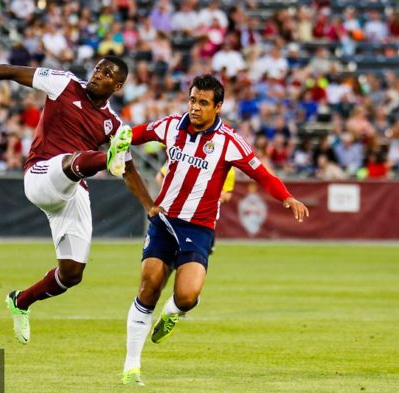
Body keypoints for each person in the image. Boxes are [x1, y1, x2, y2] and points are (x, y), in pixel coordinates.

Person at [0, 54, 156, 344]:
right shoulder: (64, 83)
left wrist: (150, 207)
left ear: (117, 85)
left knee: (71, 274)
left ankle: (19, 302)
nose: (97, 74)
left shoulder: (113, 124)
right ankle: (106, 158)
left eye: (106, 73)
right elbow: (11, 71)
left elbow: (129, 171)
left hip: (72, 190)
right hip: (42, 174)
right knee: (73, 161)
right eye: (97, 68)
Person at [121, 75, 309, 385]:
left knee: (187, 295)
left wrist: (286, 196)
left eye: (203, 103)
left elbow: (261, 173)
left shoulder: (229, 141)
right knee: (149, 284)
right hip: (164, 220)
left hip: (200, 226)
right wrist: (118, 138)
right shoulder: (169, 126)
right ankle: (131, 368)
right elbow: (135, 134)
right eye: (192, 100)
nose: (195, 107)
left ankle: (172, 313)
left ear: (218, 107)